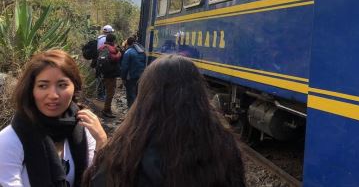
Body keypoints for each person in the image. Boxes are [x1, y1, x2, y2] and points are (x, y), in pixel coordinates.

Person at [83, 55, 245, 187]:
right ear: (200, 96)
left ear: (144, 97)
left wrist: (101, 144)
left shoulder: (123, 152)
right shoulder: (224, 148)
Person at [0, 50, 107, 187]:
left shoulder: (84, 129)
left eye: (62, 85)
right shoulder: (9, 141)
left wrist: (102, 142)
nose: (53, 95)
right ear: (31, 90)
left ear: (75, 87)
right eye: (43, 86)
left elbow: (97, 181)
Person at [98, 33, 121, 118]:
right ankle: (106, 110)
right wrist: (119, 54)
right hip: (110, 75)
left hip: (103, 73)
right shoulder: (111, 49)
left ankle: (107, 109)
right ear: (113, 40)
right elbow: (114, 58)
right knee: (110, 93)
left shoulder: (101, 48)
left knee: (108, 92)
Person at [120, 36, 146, 108]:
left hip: (130, 77)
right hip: (140, 76)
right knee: (138, 95)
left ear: (128, 44)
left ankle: (131, 115)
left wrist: (123, 78)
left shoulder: (128, 52)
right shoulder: (142, 51)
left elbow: (125, 67)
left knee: (131, 96)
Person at [94, 25, 114, 101]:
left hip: (98, 60)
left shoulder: (99, 38)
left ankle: (100, 95)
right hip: (104, 61)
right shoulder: (106, 39)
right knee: (102, 79)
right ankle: (101, 96)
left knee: (99, 78)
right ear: (109, 32)